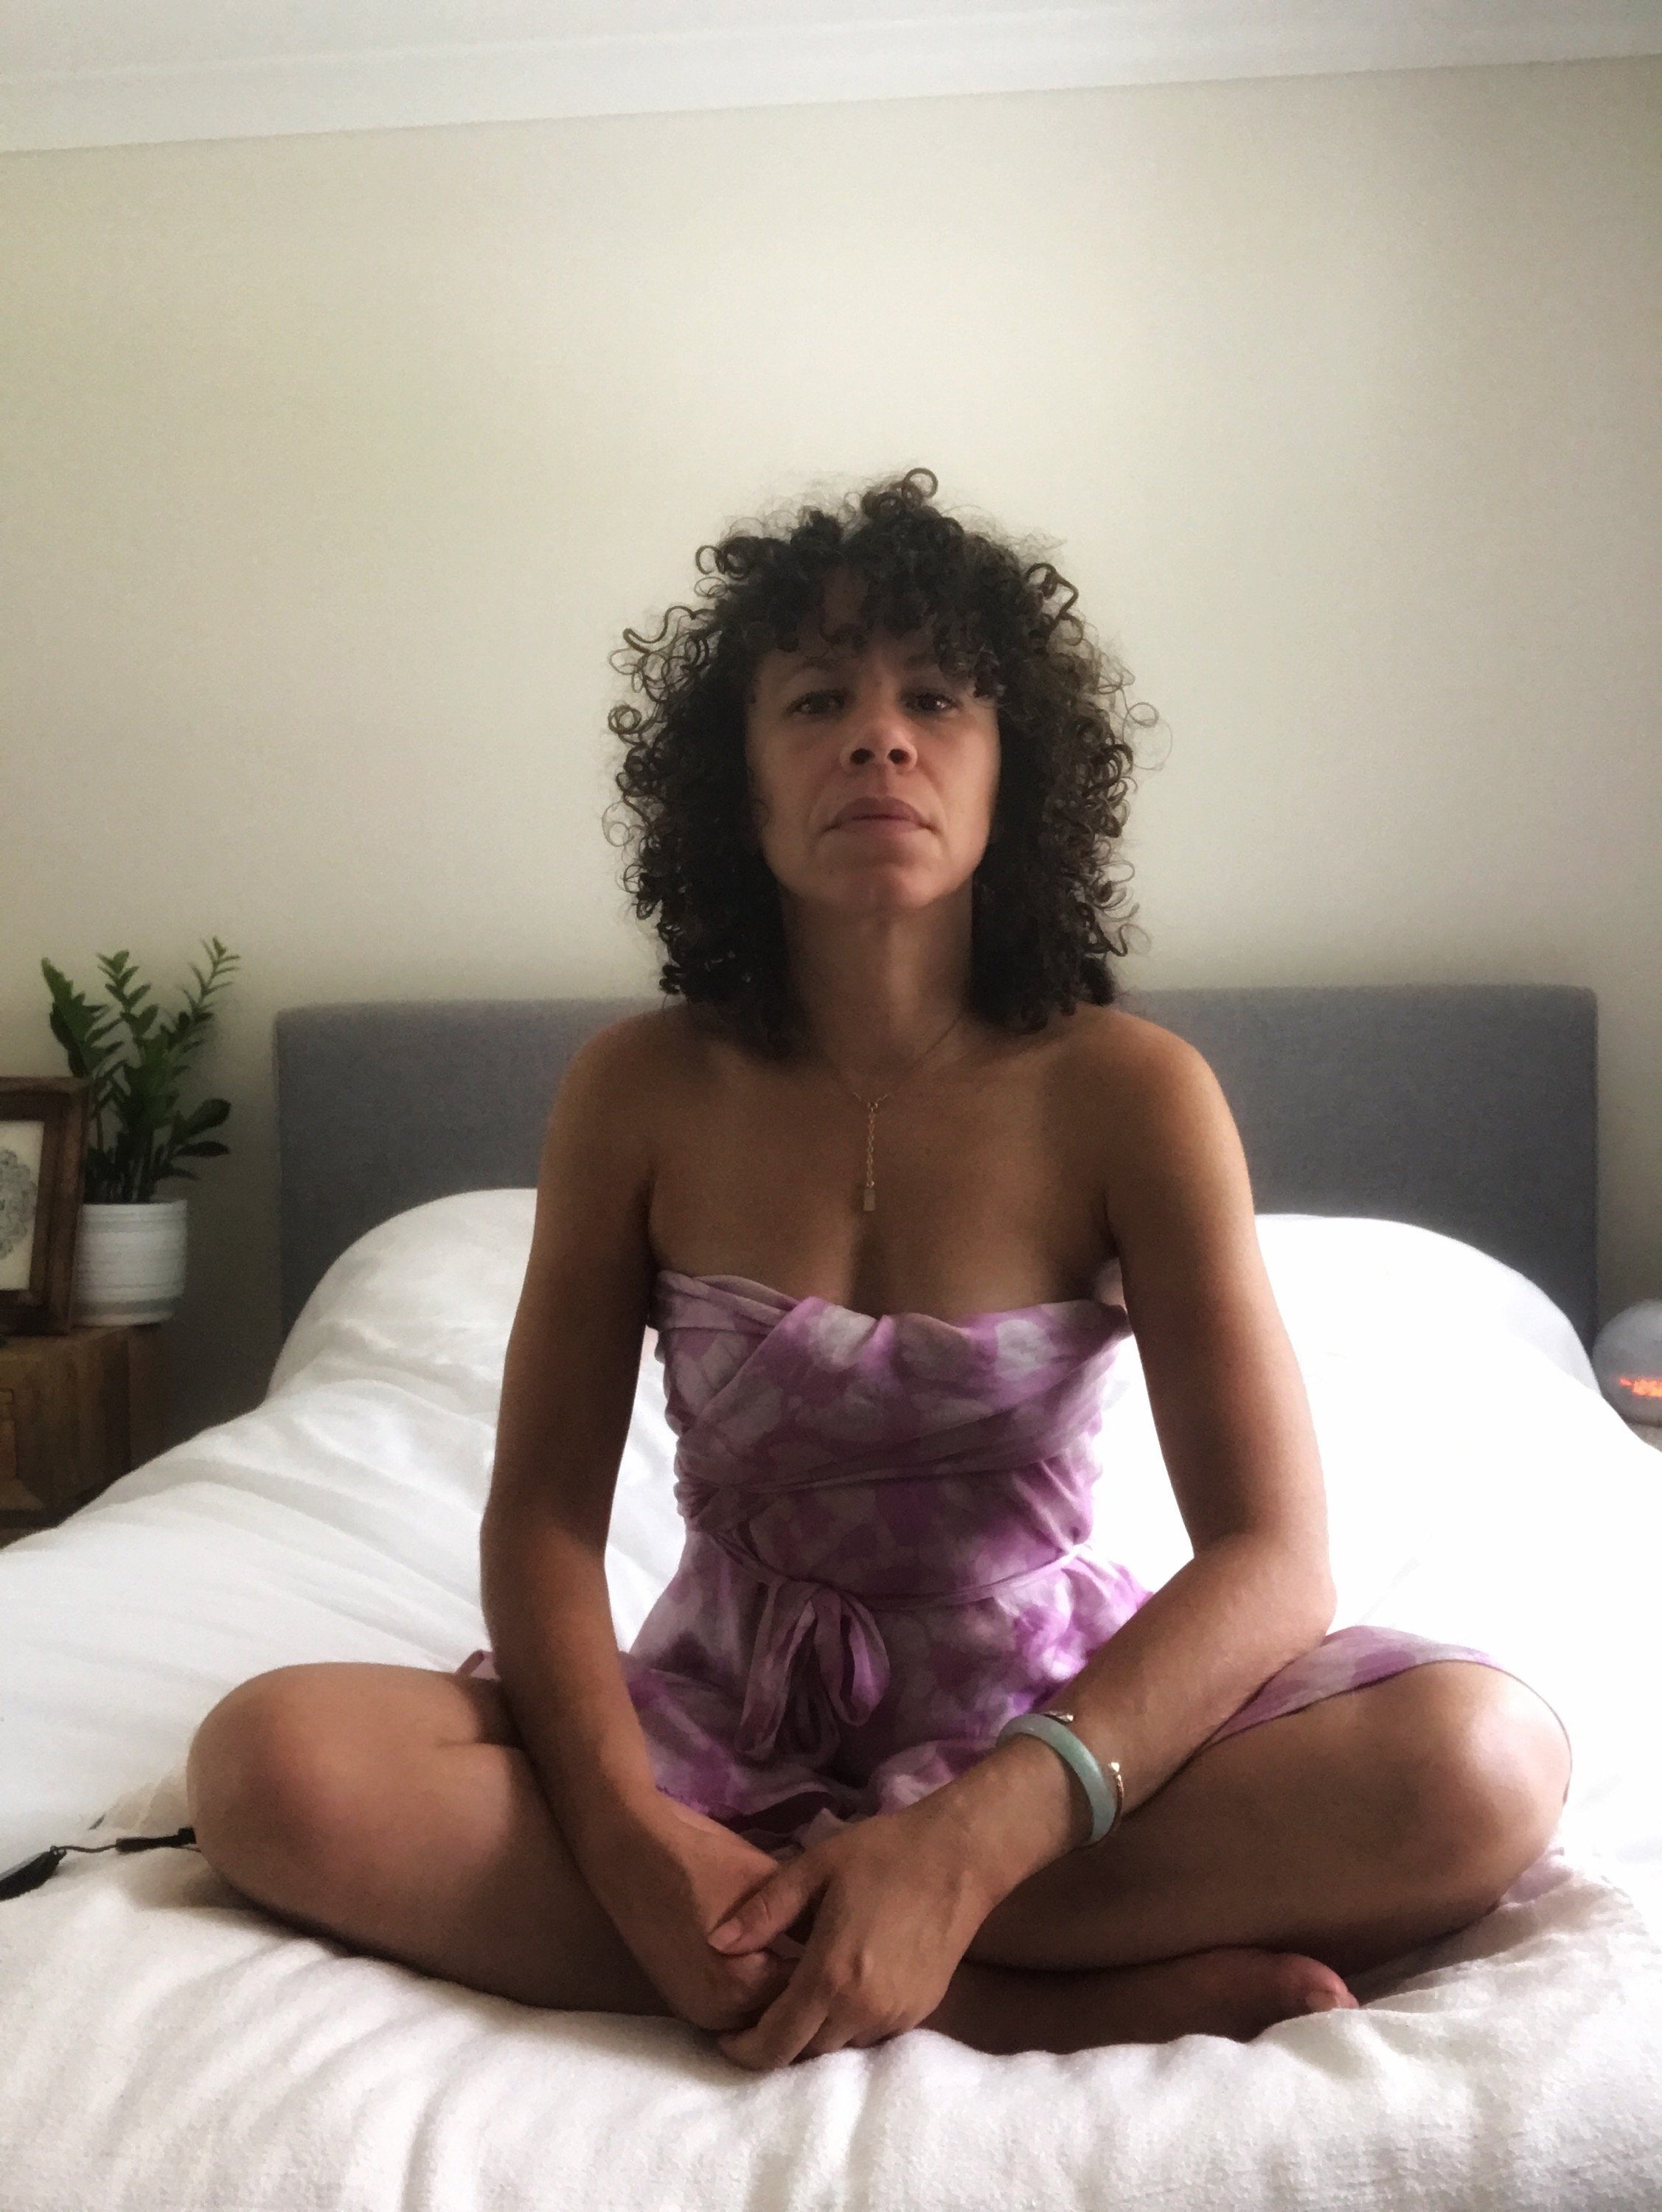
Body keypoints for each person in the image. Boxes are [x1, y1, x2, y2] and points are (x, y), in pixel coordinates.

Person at [186, 467, 1571, 2070]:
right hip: (717, 1726)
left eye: (935, 698)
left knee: (1475, 1764)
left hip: (1054, 1741)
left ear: (1011, 771)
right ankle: (1013, 2003)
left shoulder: (1133, 1093)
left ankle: (870, 1935)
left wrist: (970, 1841)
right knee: (270, 1765)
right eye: (814, 700)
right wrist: (629, 1840)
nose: (878, 738)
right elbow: (545, 1520)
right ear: (736, 784)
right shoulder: (635, 1089)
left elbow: (1270, 1557)